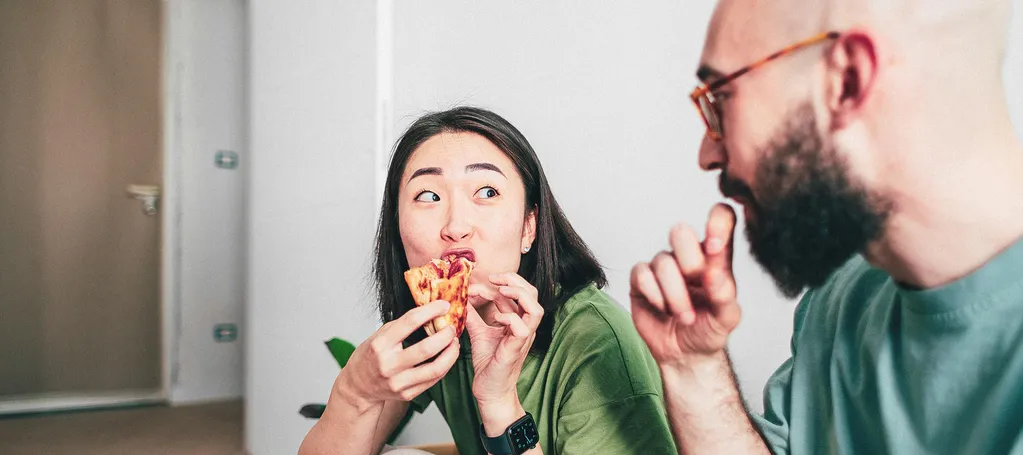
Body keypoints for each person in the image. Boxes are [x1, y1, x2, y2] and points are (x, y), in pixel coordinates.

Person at [630, 0, 1023, 453]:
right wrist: (693, 368)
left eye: (721, 97)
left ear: (847, 80)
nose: (707, 154)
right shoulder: (842, 296)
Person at [300, 106, 677, 455]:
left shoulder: (598, 342)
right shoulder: (434, 326)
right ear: (398, 230)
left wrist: (499, 402)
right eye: (428, 196)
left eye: (487, 192)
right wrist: (355, 392)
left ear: (529, 227)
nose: (455, 228)